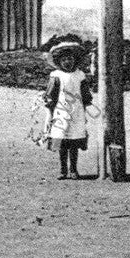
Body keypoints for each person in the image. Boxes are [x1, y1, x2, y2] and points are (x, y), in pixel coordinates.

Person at [43, 41, 93, 180]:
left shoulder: (80, 75)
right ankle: (63, 170)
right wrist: (50, 112)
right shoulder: (56, 75)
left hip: (76, 112)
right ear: (59, 61)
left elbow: (85, 94)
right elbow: (51, 95)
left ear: (75, 60)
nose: (67, 62)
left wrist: (86, 109)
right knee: (63, 142)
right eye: (64, 59)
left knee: (74, 142)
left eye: (70, 58)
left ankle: (74, 169)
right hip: (61, 111)